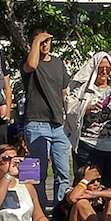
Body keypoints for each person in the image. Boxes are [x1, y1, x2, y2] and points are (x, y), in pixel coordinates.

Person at [19, 29, 72, 207]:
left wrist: (68, 116)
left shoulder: (57, 63)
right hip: (36, 121)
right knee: (36, 171)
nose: (45, 44)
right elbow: (32, 65)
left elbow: (65, 91)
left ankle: (60, 209)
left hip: (58, 123)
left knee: (63, 171)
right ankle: (38, 209)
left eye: (47, 40)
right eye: (40, 41)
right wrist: (36, 42)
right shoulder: (28, 62)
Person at [70, 52, 111, 193]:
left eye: (108, 68)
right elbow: (71, 110)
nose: (105, 71)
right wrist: (88, 108)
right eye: (101, 67)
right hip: (88, 145)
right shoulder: (84, 88)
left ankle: (108, 215)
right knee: (87, 186)